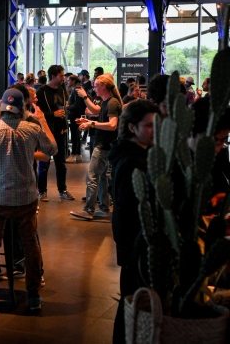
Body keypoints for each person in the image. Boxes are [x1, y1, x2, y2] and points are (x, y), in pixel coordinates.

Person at [0, 88, 57, 312]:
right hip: (26, 198)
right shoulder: (32, 129)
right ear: (22, 107)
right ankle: (33, 296)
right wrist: (41, 120)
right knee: (30, 245)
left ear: (1, 105)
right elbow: (53, 150)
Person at [108, 100, 158, 344]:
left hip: (134, 245)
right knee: (133, 302)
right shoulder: (133, 162)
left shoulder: (134, 156)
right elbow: (129, 211)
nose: (155, 131)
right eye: (149, 126)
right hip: (135, 246)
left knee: (131, 301)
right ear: (131, 128)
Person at [73, 74, 122, 219]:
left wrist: (91, 123)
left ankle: (88, 210)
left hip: (104, 146)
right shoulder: (107, 102)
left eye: (96, 85)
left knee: (92, 176)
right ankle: (103, 208)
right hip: (105, 144)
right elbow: (100, 116)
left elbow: (112, 125)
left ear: (104, 87)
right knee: (102, 177)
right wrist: (87, 121)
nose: (94, 88)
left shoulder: (112, 103)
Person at [36, 65, 74, 202]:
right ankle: (42, 191)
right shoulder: (41, 92)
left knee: (61, 163)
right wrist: (53, 114)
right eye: (61, 76)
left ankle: (62, 189)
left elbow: (64, 110)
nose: (63, 78)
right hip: (46, 132)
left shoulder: (62, 90)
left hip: (60, 131)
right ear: (53, 76)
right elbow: (37, 114)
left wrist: (64, 124)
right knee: (44, 162)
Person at [66, 75, 85, 163]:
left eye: (69, 80)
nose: (67, 82)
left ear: (73, 81)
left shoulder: (76, 90)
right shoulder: (77, 89)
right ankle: (77, 154)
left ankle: (74, 154)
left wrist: (68, 107)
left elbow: (77, 105)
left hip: (75, 115)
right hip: (76, 114)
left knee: (75, 135)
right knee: (76, 135)